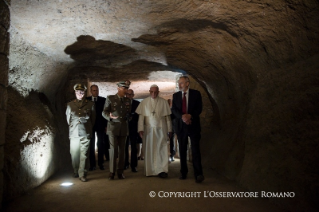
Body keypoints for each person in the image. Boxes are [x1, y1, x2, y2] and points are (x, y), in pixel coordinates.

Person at [172, 76, 204, 183]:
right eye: (178, 83)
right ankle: (183, 172)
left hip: (193, 125)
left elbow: (199, 108)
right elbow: (174, 110)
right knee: (182, 150)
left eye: (181, 83)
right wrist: (183, 117)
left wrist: (190, 116)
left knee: (195, 150)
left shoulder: (196, 94)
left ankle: (198, 174)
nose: (179, 85)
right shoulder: (176, 96)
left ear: (187, 83)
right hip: (181, 127)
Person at [135, 84, 172, 178]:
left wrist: (170, 129)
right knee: (149, 149)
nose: (154, 94)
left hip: (161, 130)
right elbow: (141, 118)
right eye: (152, 92)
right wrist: (140, 129)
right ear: (149, 91)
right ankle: (150, 170)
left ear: (158, 92)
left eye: (156, 92)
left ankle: (162, 170)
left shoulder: (163, 102)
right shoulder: (144, 102)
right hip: (149, 130)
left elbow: (168, 118)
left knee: (161, 150)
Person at [66, 83, 96, 182]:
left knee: (84, 154)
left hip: (85, 132)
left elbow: (93, 119)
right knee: (74, 153)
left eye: (82, 92)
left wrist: (87, 127)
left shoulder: (90, 104)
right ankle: (76, 171)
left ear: (84, 92)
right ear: (75, 92)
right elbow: (68, 119)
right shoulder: (70, 105)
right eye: (78, 92)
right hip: (74, 132)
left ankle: (82, 173)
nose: (80, 93)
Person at [102, 81, 131, 180]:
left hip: (123, 128)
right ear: (118, 88)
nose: (126, 90)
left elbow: (128, 113)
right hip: (113, 127)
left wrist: (129, 117)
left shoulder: (128, 100)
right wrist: (109, 116)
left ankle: (120, 171)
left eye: (127, 88)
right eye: (124, 88)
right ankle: (112, 172)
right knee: (113, 150)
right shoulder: (110, 98)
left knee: (122, 150)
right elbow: (104, 112)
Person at [86, 85, 108, 171]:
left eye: (97, 90)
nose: (96, 92)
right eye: (94, 90)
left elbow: (105, 114)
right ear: (91, 91)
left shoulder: (103, 100)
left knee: (100, 144)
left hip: (100, 125)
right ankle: (92, 164)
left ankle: (101, 163)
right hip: (90, 126)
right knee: (91, 145)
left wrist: (106, 125)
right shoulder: (87, 100)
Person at [124, 89, 142, 172]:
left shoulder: (137, 104)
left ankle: (134, 165)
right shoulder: (122, 103)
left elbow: (140, 117)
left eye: (131, 94)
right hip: (124, 128)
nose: (129, 96)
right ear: (125, 95)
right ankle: (125, 163)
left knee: (134, 147)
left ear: (133, 95)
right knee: (124, 147)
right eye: (127, 94)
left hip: (134, 128)